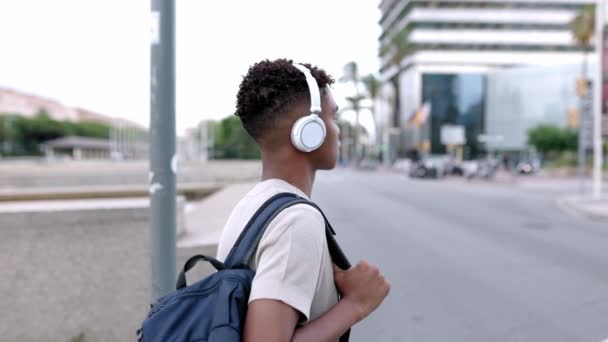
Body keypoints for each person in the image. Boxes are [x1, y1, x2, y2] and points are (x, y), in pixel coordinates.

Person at [216, 59, 390, 341]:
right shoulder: (296, 220)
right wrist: (357, 303)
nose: (337, 129)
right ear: (310, 131)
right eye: (332, 117)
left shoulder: (252, 204)